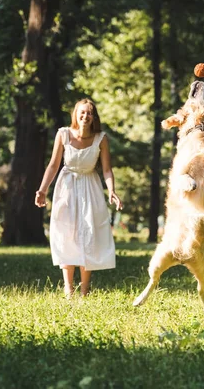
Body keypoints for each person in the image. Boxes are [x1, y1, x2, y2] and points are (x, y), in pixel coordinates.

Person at [35, 99, 123, 298]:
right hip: (67, 186)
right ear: (75, 114)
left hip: (90, 187)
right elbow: (53, 165)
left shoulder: (101, 139)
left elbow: (107, 170)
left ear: (94, 117)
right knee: (66, 232)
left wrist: (111, 191)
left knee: (88, 234)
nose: (85, 116)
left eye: (89, 113)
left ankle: (84, 289)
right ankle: (68, 288)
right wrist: (42, 190)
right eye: (82, 112)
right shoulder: (63, 134)